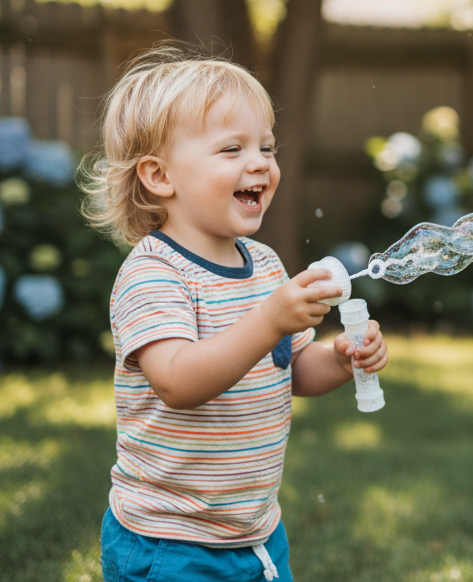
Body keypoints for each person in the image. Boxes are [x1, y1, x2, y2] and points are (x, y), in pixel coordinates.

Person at [81, 45, 388, 582]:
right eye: (231, 148)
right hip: (171, 540)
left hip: (255, 531)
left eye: (267, 146)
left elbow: (291, 367)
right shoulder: (154, 273)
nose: (261, 162)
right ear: (159, 176)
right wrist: (269, 320)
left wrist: (340, 360)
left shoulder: (264, 265)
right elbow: (177, 382)